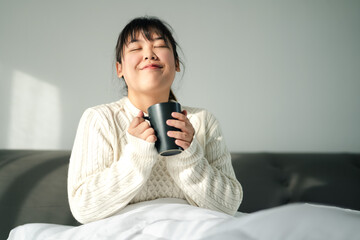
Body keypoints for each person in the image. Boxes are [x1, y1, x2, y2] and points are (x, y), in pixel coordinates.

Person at [67, 16, 243, 224]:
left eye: (159, 46)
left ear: (176, 64)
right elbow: (83, 208)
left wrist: (188, 154)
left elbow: (229, 205)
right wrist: (137, 157)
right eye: (135, 49)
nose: (149, 54)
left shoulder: (203, 120)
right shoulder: (100, 119)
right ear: (119, 69)